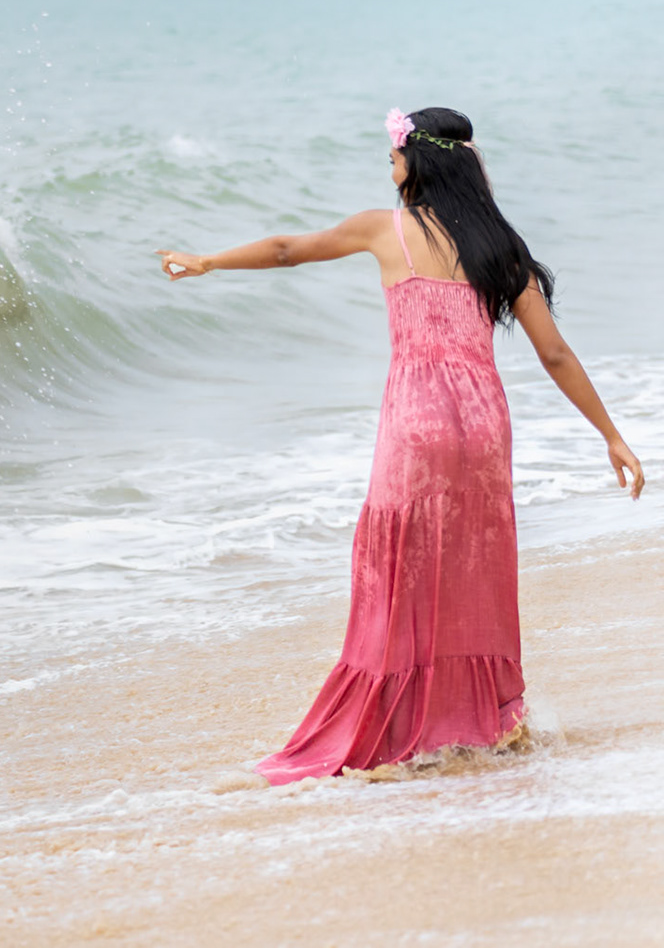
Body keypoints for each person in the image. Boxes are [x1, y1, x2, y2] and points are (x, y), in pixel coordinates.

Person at [157, 107, 644, 784]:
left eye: (393, 159)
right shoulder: (501, 245)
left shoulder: (386, 230)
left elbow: (284, 250)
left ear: (419, 163)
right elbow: (555, 353)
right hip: (482, 425)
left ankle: (391, 727)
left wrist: (207, 260)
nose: (389, 171)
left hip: (417, 420)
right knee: (473, 568)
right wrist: (611, 435)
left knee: (398, 572)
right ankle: (480, 722)